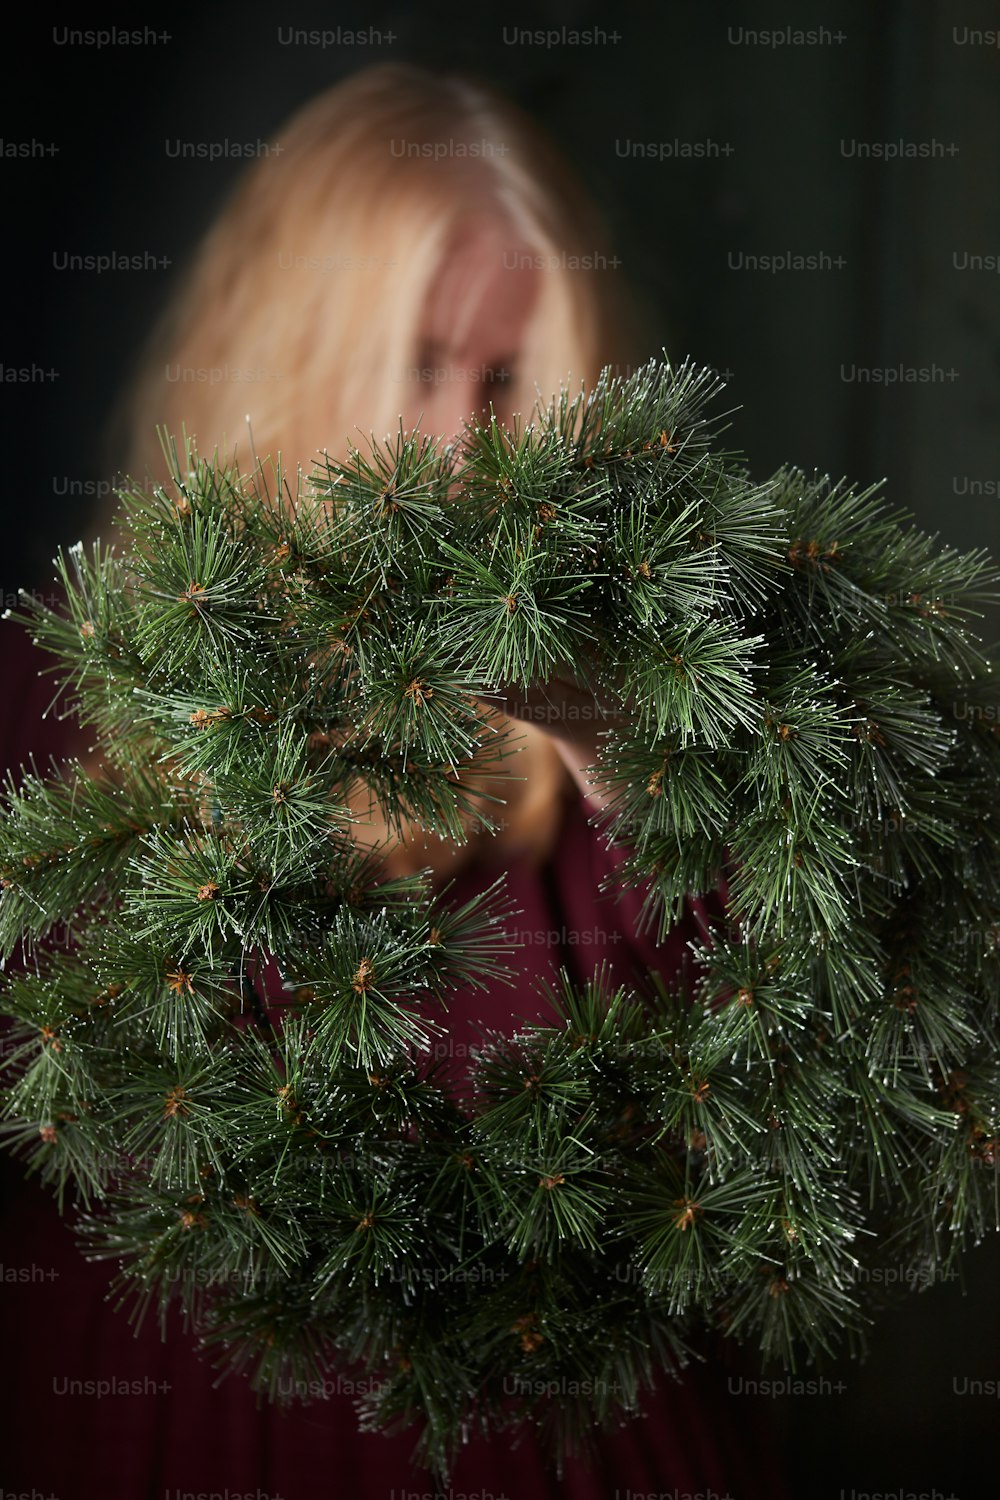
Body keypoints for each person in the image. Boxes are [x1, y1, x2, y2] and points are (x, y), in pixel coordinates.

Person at [0, 63, 791, 1499]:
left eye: (508, 385)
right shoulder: (63, 712)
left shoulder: (606, 753)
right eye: (416, 364)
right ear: (289, 356)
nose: (456, 453)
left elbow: (765, 1073)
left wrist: (626, 743)